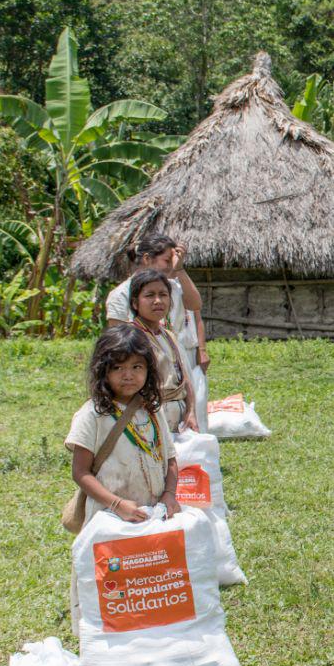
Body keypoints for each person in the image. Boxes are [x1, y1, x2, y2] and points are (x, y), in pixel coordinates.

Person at [66, 324, 181, 633]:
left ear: (149, 371)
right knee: (110, 585)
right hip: (109, 515)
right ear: (103, 370)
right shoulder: (93, 415)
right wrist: (116, 504)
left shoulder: (152, 412)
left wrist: (170, 495)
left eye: (136, 367)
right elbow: (80, 472)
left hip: (150, 513)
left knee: (148, 583)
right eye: (117, 368)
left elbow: (170, 458)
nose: (128, 375)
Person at [107, 234, 210, 429]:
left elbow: (195, 305)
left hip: (175, 358)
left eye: (162, 296)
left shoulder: (172, 287)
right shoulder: (121, 295)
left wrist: (180, 269)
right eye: (167, 260)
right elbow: (118, 347)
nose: (158, 300)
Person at [127, 269, 198, 433]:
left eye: (163, 294)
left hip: (177, 416)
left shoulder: (168, 335)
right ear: (135, 303)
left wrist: (191, 411)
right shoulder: (131, 337)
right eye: (149, 295)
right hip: (146, 416)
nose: (158, 301)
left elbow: (185, 379)